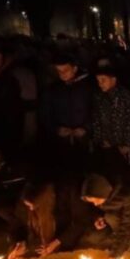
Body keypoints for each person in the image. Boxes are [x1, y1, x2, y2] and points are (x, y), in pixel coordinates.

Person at [41, 54, 93, 183]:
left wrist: (86, 128)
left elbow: (95, 110)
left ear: (74, 68)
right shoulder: (53, 89)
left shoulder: (87, 88)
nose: (62, 74)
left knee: (83, 169)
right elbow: (46, 113)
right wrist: (56, 129)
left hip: (83, 138)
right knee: (64, 171)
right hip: (61, 139)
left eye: (65, 70)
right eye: (59, 71)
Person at [92, 66, 130, 184]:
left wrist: (127, 143)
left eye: (103, 80)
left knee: (122, 175)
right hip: (106, 144)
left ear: (113, 80)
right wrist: (100, 140)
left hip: (121, 144)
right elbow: (97, 120)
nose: (100, 84)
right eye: (98, 81)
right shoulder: (99, 97)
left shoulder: (125, 96)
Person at [80, 173, 130, 259]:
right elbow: (93, 210)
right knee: (92, 239)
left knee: (111, 218)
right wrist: (97, 218)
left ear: (104, 193)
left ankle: (128, 239)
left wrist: (115, 255)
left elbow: (127, 224)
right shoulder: (99, 198)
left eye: (97, 200)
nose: (95, 204)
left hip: (120, 221)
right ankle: (113, 236)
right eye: (92, 202)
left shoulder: (126, 196)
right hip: (107, 222)